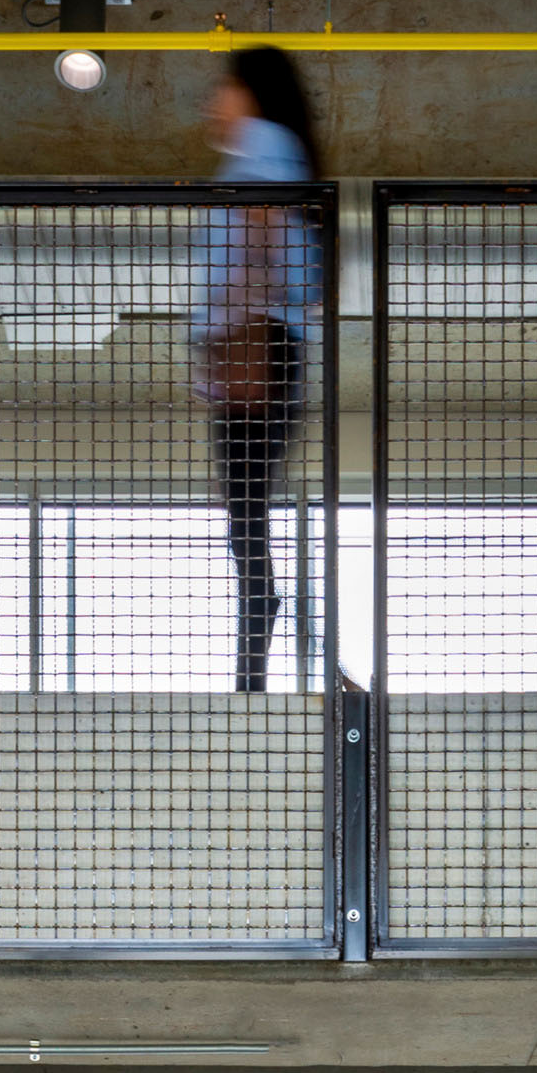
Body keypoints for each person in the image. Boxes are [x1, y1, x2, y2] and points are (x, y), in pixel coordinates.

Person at [193, 43, 319, 693]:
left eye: (225, 87)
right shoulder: (265, 150)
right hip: (257, 351)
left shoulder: (263, 146)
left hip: (255, 352)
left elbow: (264, 234)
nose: (214, 102)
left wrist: (235, 342)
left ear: (252, 92)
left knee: (245, 513)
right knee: (245, 512)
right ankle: (254, 650)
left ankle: (254, 657)